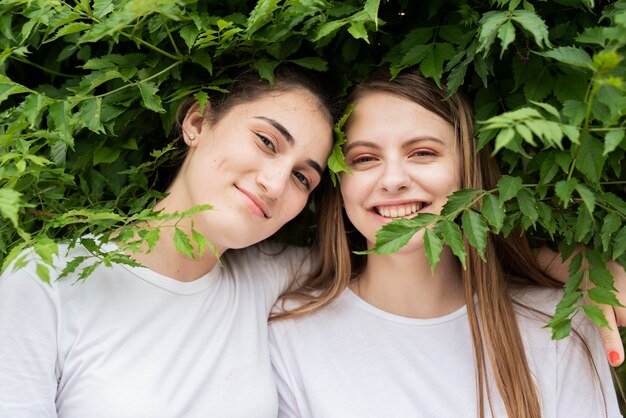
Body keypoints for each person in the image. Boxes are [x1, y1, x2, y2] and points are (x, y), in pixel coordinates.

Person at [268, 68, 622, 418]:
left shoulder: (559, 324)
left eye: (422, 153)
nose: (392, 180)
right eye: (364, 159)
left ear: (469, 171)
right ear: (339, 183)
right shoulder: (290, 334)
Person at [0, 66, 335, 418]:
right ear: (197, 123)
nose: (276, 183)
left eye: (302, 177)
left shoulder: (268, 277)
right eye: (267, 141)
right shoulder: (44, 280)